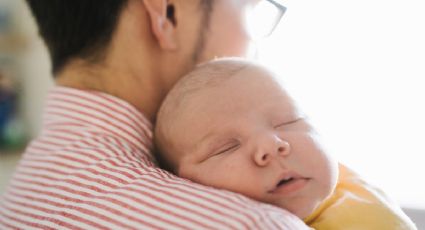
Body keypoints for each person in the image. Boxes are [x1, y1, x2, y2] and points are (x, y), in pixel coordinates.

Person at [0, 0, 413, 229]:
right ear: (167, 13)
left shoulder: (20, 194)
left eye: (288, 121)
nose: (252, 40)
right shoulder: (254, 223)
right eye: (251, 7)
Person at [154, 58, 417, 229]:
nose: (271, 145)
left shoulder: (342, 179)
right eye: (227, 147)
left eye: (287, 122)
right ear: (186, 187)